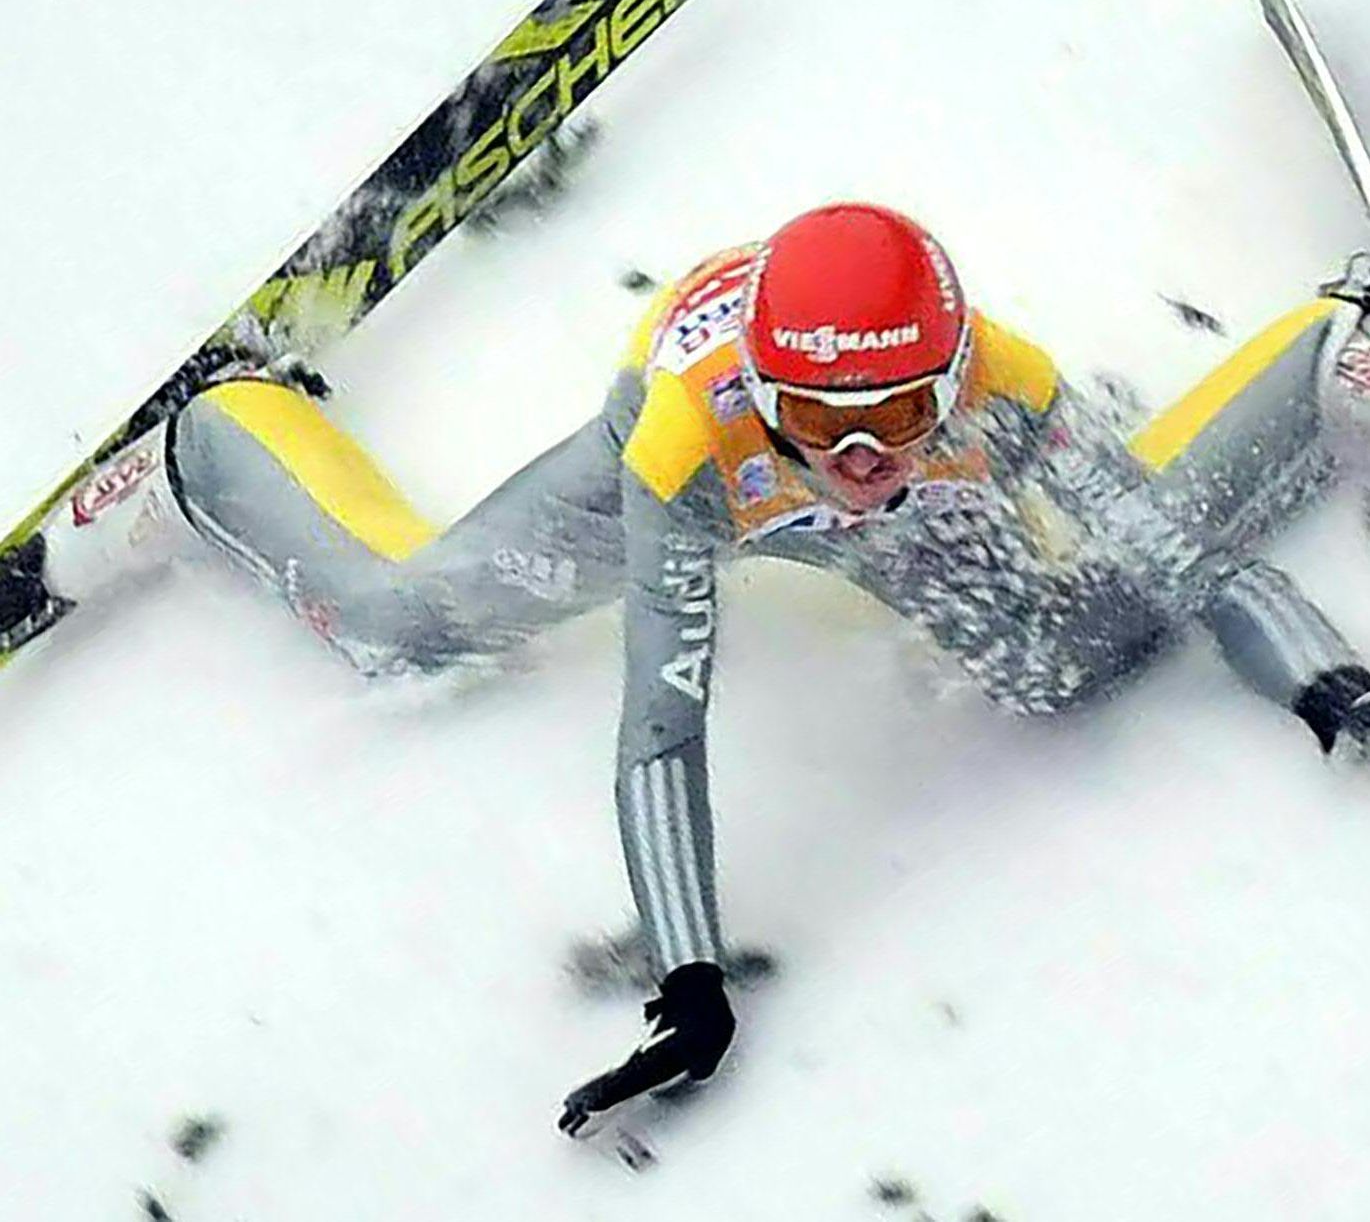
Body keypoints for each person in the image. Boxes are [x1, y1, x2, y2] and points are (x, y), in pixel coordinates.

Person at [5, 203, 1370, 1135]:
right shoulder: (682, 445)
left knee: (1075, 652)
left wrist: (1326, 679)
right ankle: (212, 443)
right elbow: (664, 715)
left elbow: (1183, 557)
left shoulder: (997, 386)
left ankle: (1324, 343)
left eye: (899, 412)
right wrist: (690, 975)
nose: (864, 457)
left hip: (876, 509)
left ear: (951, 372)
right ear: (761, 401)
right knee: (397, 626)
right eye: (824, 424)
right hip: (708, 490)